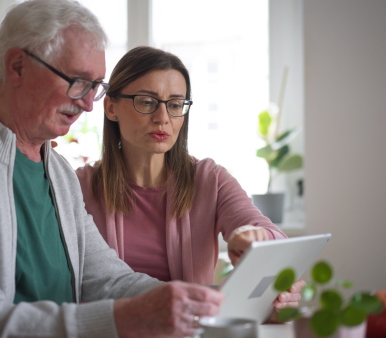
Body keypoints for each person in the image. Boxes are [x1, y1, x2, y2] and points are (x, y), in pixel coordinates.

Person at [0, 1, 224, 337]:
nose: (88, 104)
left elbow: (109, 281)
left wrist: (219, 305)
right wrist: (126, 319)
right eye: (78, 80)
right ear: (17, 67)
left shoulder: (57, 171)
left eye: (96, 87)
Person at [75, 46, 304, 314]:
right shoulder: (78, 187)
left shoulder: (210, 180)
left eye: (175, 105)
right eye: (147, 102)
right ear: (111, 107)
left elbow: (274, 239)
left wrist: (255, 237)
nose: (163, 118)